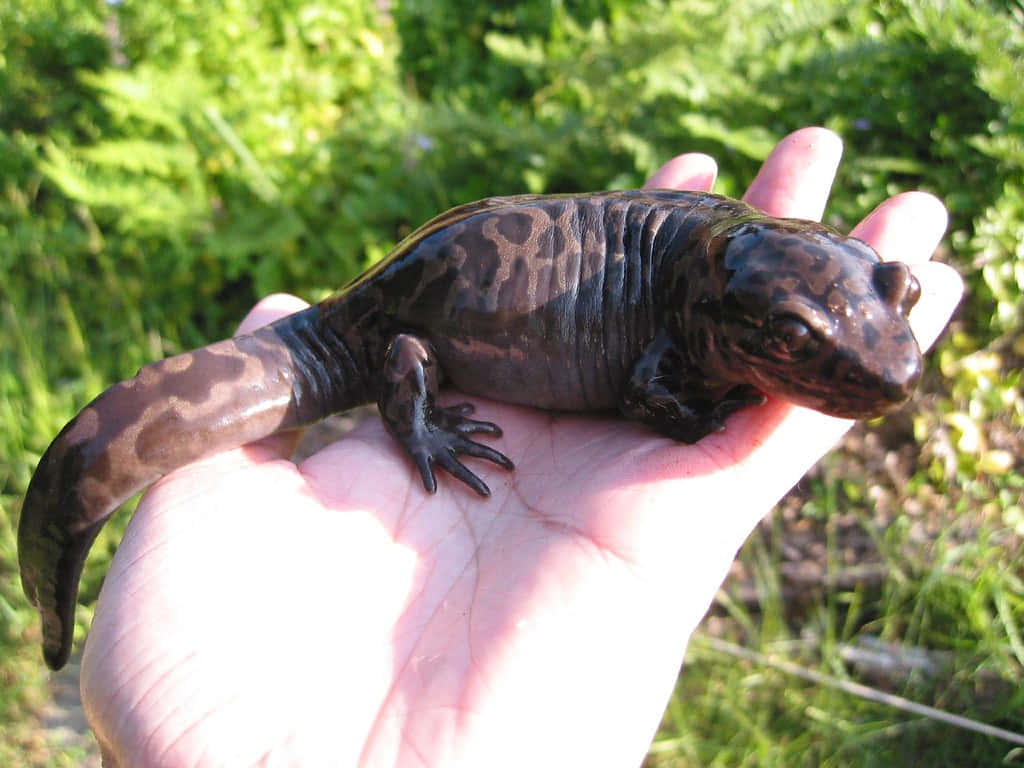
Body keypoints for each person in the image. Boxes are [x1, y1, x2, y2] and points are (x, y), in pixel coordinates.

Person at [78, 127, 963, 767]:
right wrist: (414, 423)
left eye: (897, 291)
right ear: (714, 316)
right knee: (375, 354)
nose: (885, 367)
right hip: (407, 326)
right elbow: (658, 392)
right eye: (798, 342)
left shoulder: (721, 276)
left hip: (456, 268)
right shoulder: (692, 311)